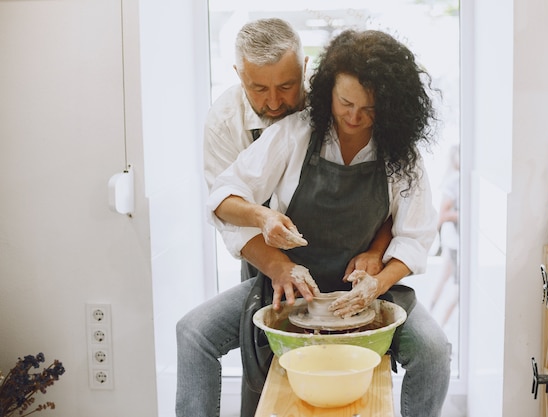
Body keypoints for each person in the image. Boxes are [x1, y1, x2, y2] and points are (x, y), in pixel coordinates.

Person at [181, 28, 451, 416]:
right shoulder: (296, 133)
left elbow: (415, 235)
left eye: (369, 108)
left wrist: (377, 281)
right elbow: (222, 196)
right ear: (327, 91)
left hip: (366, 292)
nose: (355, 117)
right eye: (345, 103)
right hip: (288, 287)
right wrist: (265, 216)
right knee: (192, 332)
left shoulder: (400, 154)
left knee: (435, 352)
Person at [203, 18, 392, 282]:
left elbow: (395, 196)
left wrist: (375, 252)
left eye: (286, 86)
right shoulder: (224, 123)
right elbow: (228, 212)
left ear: (304, 68)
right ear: (239, 74)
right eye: (258, 89)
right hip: (265, 261)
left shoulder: (338, 99)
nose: (274, 101)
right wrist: (277, 263)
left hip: (357, 268)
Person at [430, 144, 460, 327]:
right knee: (460, 288)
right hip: (455, 242)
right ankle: (438, 327)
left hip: (451, 241)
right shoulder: (455, 180)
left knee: (443, 278)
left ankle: (429, 318)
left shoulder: (454, 178)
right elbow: (443, 214)